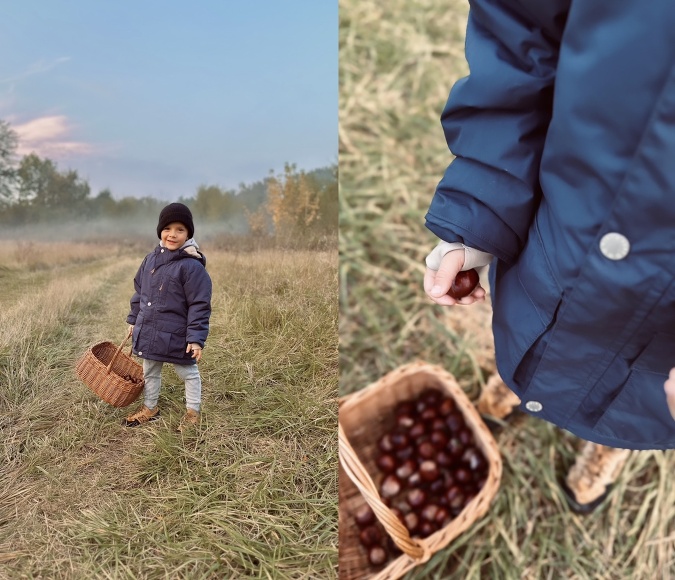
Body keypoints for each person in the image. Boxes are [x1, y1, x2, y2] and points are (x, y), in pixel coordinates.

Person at [423, 0, 675, 511]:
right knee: (534, 335)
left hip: (663, 329)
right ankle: (516, 380)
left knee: (629, 396)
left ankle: (605, 449)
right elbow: (520, 39)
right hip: (561, 240)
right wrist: (482, 209)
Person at [125, 202, 212, 432]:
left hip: (176, 334)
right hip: (151, 330)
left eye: (180, 229)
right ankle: (150, 408)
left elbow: (199, 305)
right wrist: (134, 320)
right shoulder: (150, 260)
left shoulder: (191, 267)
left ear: (188, 234)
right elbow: (140, 293)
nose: (172, 234)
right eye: (168, 228)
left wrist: (195, 338)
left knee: (188, 373)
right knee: (149, 370)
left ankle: (193, 413)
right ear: (160, 230)